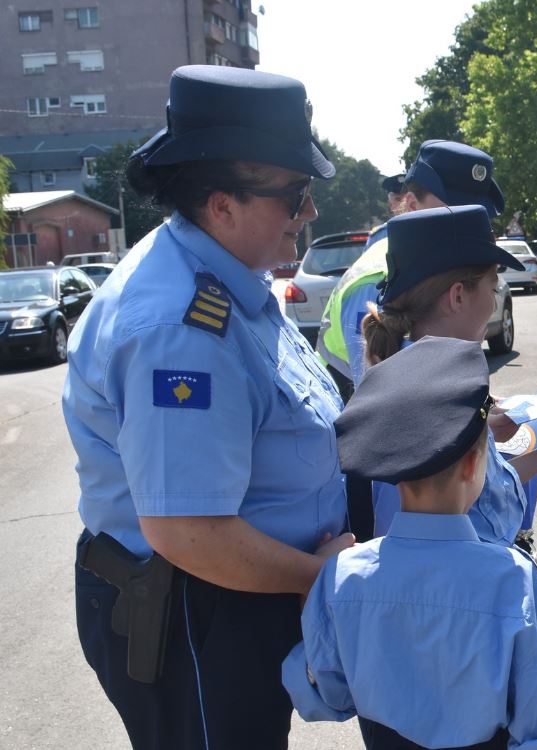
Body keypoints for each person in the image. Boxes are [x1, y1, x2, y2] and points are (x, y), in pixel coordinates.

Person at [63, 65, 355, 750]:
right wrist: (319, 576)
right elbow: (187, 529)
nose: (308, 213)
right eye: (295, 193)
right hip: (193, 609)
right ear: (222, 204)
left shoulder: (228, 278)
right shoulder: (179, 329)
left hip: (232, 596)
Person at [283, 336, 537, 749]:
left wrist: (313, 597)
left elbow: (323, 696)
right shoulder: (513, 579)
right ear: (472, 464)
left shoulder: (342, 576)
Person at [360, 206, 537, 542]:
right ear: (458, 295)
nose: (495, 304)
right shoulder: (431, 395)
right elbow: (465, 524)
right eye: (493, 288)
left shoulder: (429, 379)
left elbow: (485, 491)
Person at [316, 140, 505, 390]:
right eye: (454, 211)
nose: (471, 228)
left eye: (480, 217)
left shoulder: (441, 267)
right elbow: (383, 404)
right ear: (413, 205)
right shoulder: (378, 279)